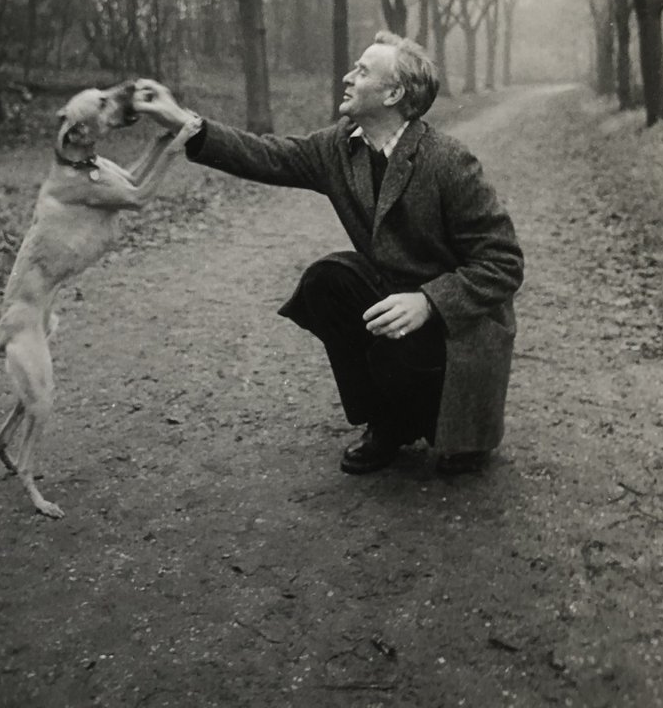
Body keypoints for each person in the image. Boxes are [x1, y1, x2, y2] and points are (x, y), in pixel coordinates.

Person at [136, 31, 524, 476]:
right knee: (328, 282)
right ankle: (386, 424)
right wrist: (179, 120)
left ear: (393, 93)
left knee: (447, 433)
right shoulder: (339, 146)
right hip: (392, 302)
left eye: (362, 71)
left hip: (454, 327)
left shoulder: (448, 161)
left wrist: (430, 302)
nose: (347, 76)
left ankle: (448, 425)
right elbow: (266, 155)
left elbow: (504, 262)